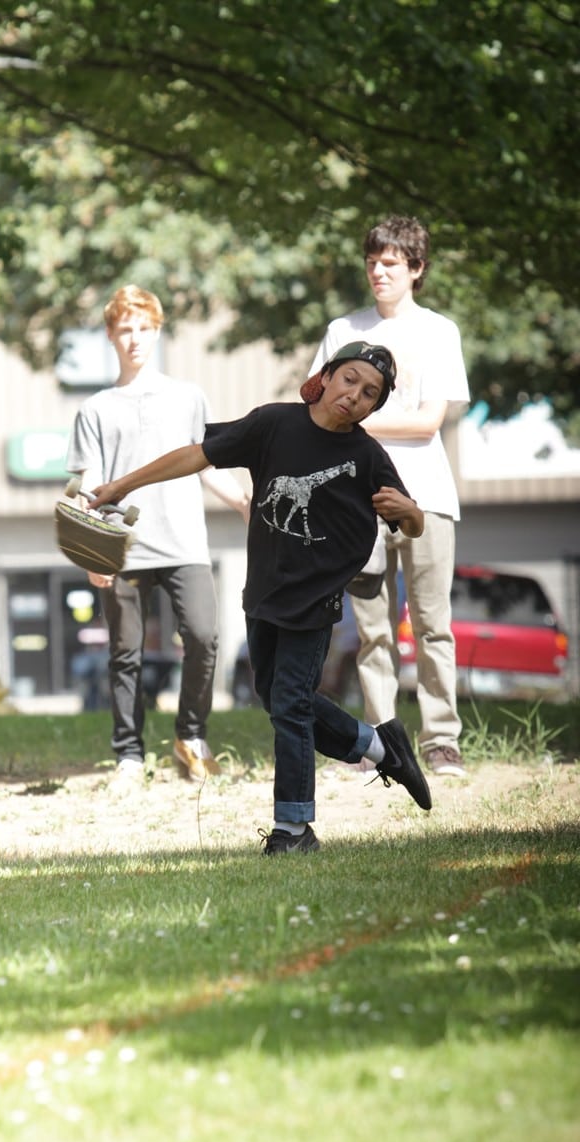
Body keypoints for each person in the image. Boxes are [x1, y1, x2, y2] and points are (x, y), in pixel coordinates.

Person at [88, 341, 431, 854]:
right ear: (327, 375)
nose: (355, 396)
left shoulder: (365, 456)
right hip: (264, 592)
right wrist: (122, 486)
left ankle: (294, 830)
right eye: (350, 380)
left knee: (291, 706)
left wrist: (412, 510)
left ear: (374, 406)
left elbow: (411, 522)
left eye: (370, 394)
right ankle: (384, 746)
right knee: (279, 701)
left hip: (315, 601)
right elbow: (196, 455)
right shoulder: (273, 424)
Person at [65, 285, 250, 786]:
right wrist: (92, 551)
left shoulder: (188, 396)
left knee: (204, 636)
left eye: (144, 328)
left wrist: (242, 503)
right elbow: (86, 488)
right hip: (122, 548)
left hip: (185, 542)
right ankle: (128, 754)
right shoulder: (95, 409)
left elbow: (208, 462)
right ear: (109, 335)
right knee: (125, 653)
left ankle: (191, 738)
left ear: (157, 330)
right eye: (125, 329)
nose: (134, 339)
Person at [310, 216, 470, 777]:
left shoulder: (439, 331)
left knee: (432, 623)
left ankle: (441, 740)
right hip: (356, 501)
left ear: (416, 269)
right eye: (373, 262)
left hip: (426, 497)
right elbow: (316, 405)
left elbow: (429, 421)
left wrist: (357, 420)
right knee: (371, 628)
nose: (379, 271)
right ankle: (381, 742)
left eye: (392, 263)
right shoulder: (341, 330)